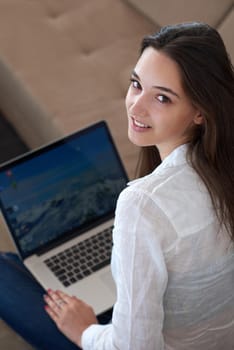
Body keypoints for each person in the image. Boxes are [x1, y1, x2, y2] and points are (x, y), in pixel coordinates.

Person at [0, 21, 233, 350]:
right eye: (136, 84)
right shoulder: (222, 168)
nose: (136, 107)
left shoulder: (142, 204)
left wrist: (84, 331)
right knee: (15, 265)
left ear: (200, 111)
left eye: (163, 98)